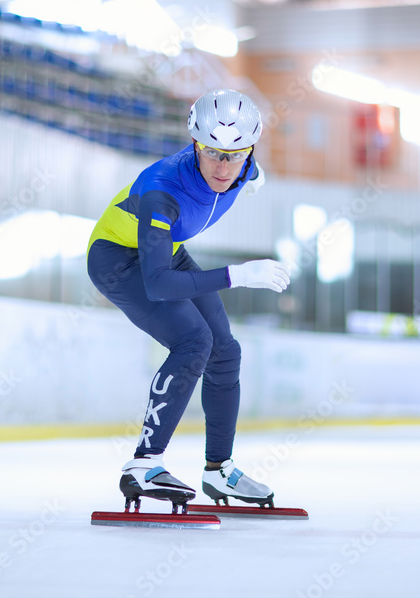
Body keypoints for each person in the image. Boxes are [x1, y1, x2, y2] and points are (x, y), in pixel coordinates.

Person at [86, 88, 290, 508]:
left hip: (168, 252)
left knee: (225, 352)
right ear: (195, 144)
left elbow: (247, 171)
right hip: (116, 259)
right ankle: (143, 466)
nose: (223, 166)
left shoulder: (244, 168)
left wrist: (250, 175)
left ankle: (220, 471)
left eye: (236, 155)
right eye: (212, 153)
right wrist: (239, 274)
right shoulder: (163, 191)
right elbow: (158, 284)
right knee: (194, 341)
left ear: (250, 152)